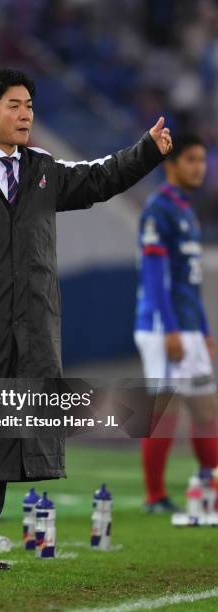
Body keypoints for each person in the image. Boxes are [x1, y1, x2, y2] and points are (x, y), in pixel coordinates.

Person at [0, 69, 172, 570]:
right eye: (15, 105)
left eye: (30, 106)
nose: (25, 115)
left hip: (27, 331)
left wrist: (146, 150)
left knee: (1, 435)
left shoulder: (42, 169)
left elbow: (101, 177)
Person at [134, 135, 218, 513]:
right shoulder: (158, 210)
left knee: (205, 409)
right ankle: (155, 497)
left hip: (187, 324)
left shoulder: (186, 211)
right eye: (192, 160)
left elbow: (190, 282)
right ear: (171, 165)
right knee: (165, 412)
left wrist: (202, 330)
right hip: (162, 325)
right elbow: (155, 276)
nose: (199, 167)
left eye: (202, 160)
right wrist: (170, 328)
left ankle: (209, 487)